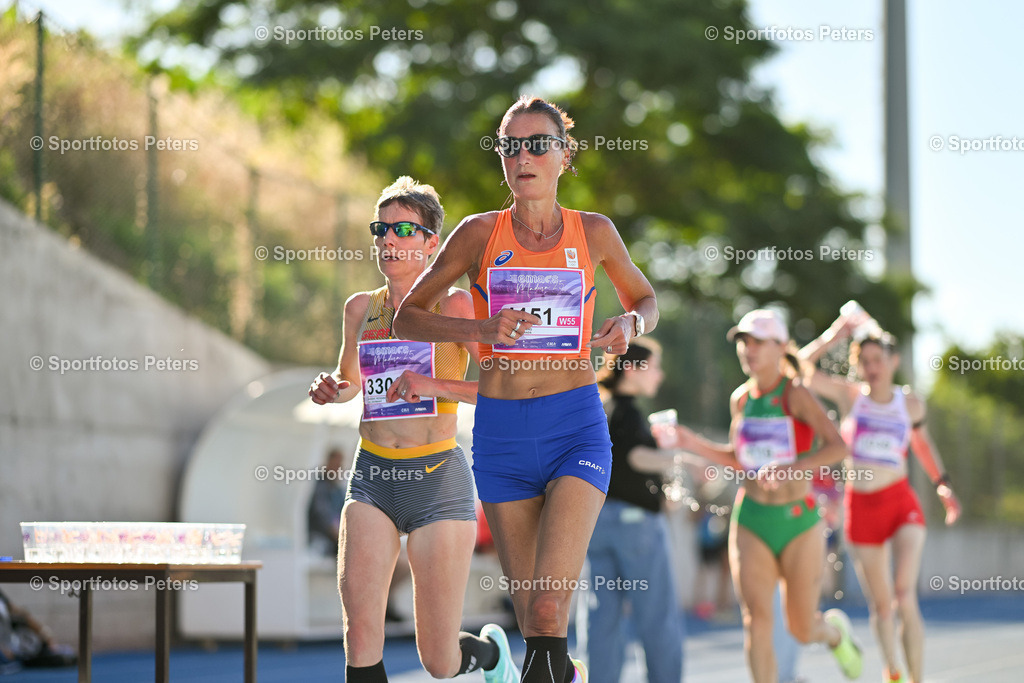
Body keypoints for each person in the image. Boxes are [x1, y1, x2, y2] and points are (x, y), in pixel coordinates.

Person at [393, 95, 659, 683]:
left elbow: (645, 298)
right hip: (501, 435)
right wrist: (479, 329)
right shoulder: (478, 233)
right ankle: (559, 671)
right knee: (534, 624)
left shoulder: (594, 232)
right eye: (510, 146)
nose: (523, 156)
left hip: (574, 427)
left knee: (548, 607)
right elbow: (408, 317)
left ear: (565, 156)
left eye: (538, 143)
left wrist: (629, 324)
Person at [308, 176, 519, 683]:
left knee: (439, 661)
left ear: (431, 244)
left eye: (404, 228)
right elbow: (351, 382)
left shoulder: (454, 306)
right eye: (381, 228)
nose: (388, 239)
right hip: (372, 477)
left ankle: (491, 657)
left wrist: (430, 384)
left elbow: (503, 387)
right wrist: (330, 388)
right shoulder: (361, 309)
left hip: (437, 478)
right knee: (360, 635)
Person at [656, 309, 863, 683]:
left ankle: (834, 634)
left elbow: (838, 447)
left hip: (797, 522)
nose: (747, 349)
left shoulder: (795, 393)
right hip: (751, 519)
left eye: (757, 342)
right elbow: (739, 460)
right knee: (756, 620)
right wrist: (691, 442)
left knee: (801, 629)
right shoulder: (741, 399)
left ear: (780, 347)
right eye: (743, 342)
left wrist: (792, 467)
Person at [799, 312, 962, 683]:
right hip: (861, 507)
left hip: (900, 503)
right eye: (864, 361)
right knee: (883, 606)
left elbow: (921, 444)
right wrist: (835, 333)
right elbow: (800, 368)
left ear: (894, 361)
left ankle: (917, 677)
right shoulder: (849, 395)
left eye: (878, 360)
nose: (872, 368)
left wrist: (943, 484)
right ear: (858, 365)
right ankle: (894, 673)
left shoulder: (911, 404)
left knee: (904, 595)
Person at [581, 338, 683, 683]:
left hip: (596, 524)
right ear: (631, 368)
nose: (661, 374)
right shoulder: (628, 412)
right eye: (654, 366)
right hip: (634, 526)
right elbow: (634, 457)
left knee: (602, 619)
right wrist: (680, 458)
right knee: (657, 617)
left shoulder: (597, 407)